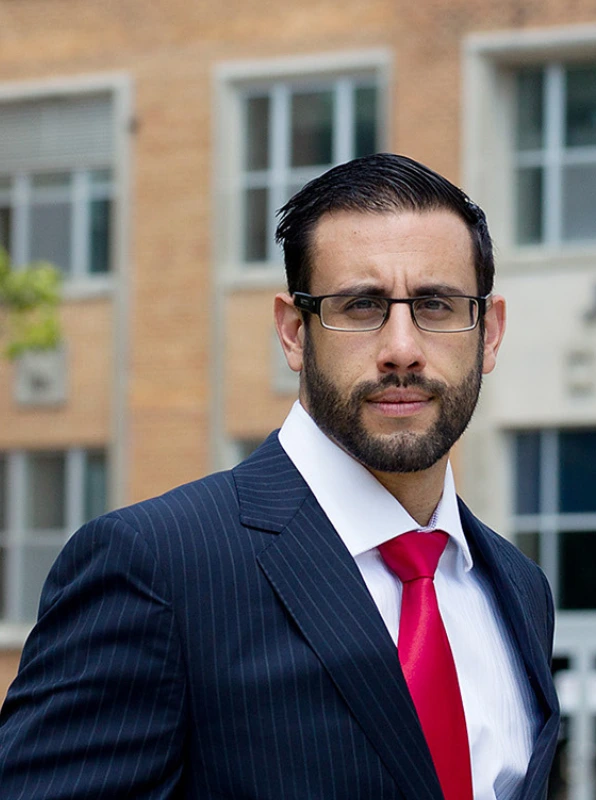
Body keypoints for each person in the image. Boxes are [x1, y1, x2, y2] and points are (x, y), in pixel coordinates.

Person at [0, 153, 559, 799]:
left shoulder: (519, 588)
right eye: (360, 305)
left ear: (488, 333)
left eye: (435, 304)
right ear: (294, 333)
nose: (402, 346)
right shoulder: (155, 568)